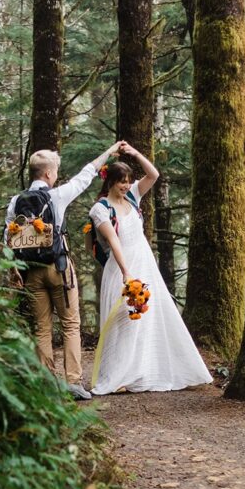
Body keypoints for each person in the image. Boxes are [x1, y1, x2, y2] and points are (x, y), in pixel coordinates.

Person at [88, 143, 213, 394]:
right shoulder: (100, 209)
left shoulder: (133, 195)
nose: (125, 185)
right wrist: (126, 272)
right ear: (110, 181)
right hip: (122, 267)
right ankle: (117, 375)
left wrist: (134, 153)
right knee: (123, 320)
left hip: (145, 263)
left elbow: (154, 175)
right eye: (121, 181)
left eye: (127, 181)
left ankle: (139, 371)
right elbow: (113, 240)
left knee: (145, 318)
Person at [6, 141, 124, 401]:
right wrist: (109, 152)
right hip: (59, 268)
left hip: (31, 272)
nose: (57, 174)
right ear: (48, 174)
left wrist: (14, 270)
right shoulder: (57, 196)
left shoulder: (16, 202)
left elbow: (8, 237)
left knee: (42, 327)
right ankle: (73, 383)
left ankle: (46, 384)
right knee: (71, 324)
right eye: (56, 170)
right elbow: (86, 175)